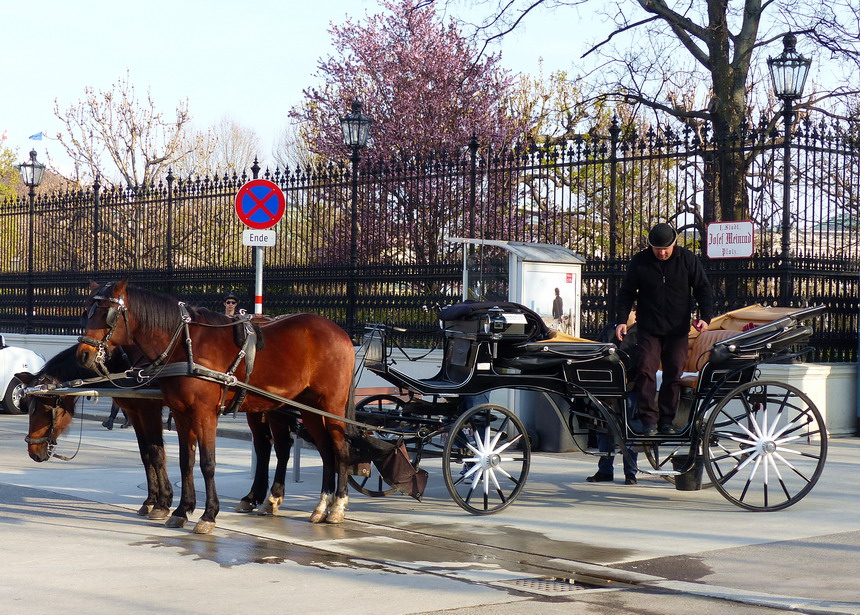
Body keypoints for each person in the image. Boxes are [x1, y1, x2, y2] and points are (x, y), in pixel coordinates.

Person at [614, 223, 714, 436]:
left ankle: (667, 421)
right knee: (645, 370)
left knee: (673, 373)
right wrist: (622, 320)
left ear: (674, 243)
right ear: (650, 246)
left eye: (665, 248)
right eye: (657, 249)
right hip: (648, 328)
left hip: (678, 329)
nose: (662, 253)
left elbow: (703, 288)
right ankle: (648, 420)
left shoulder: (687, 259)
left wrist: (705, 317)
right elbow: (627, 293)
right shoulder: (640, 261)